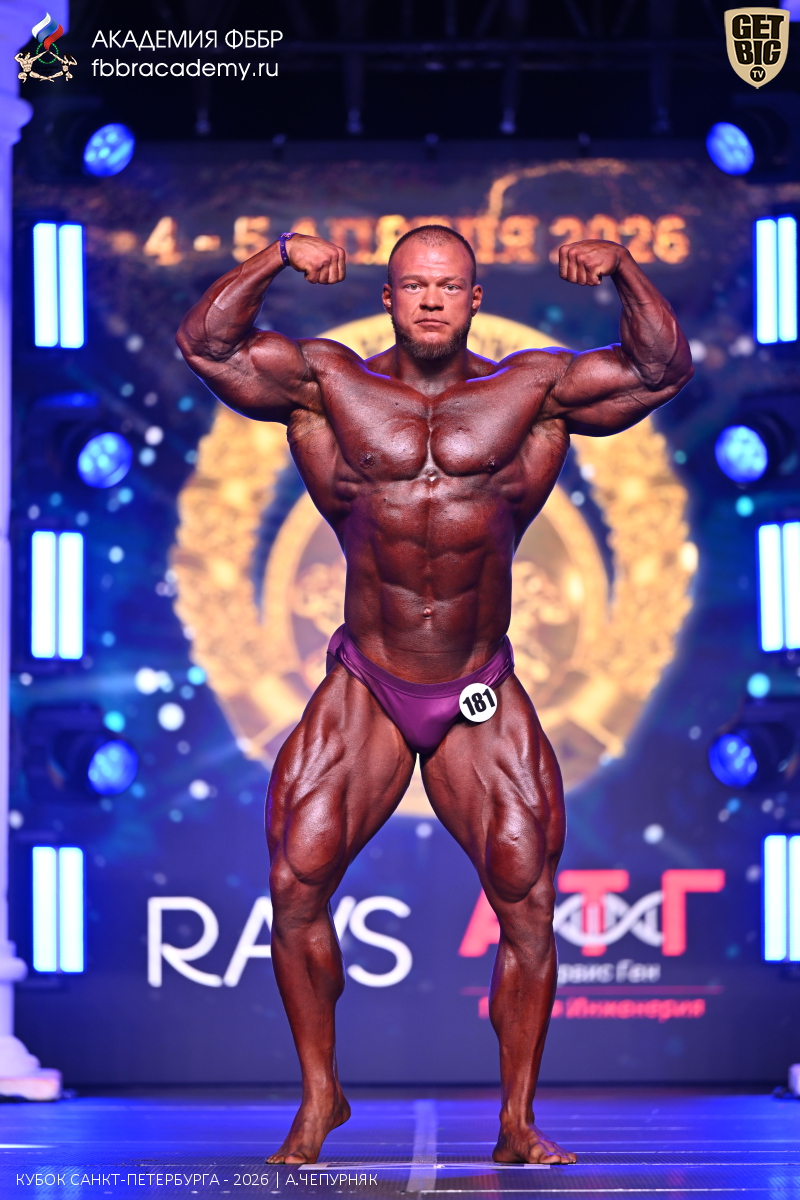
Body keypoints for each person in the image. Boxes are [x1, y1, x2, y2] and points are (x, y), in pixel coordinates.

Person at [177, 224, 692, 1166]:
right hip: (368, 681)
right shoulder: (328, 385)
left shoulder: (531, 392)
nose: (429, 300)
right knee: (295, 881)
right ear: (387, 297)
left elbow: (661, 370)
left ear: (474, 298)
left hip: (478, 687)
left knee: (527, 897)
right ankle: (320, 1096)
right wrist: (277, 259)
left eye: (448, 286)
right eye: (413, 284)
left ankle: (517, 1121)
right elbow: (208, 345)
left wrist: (624, 270)